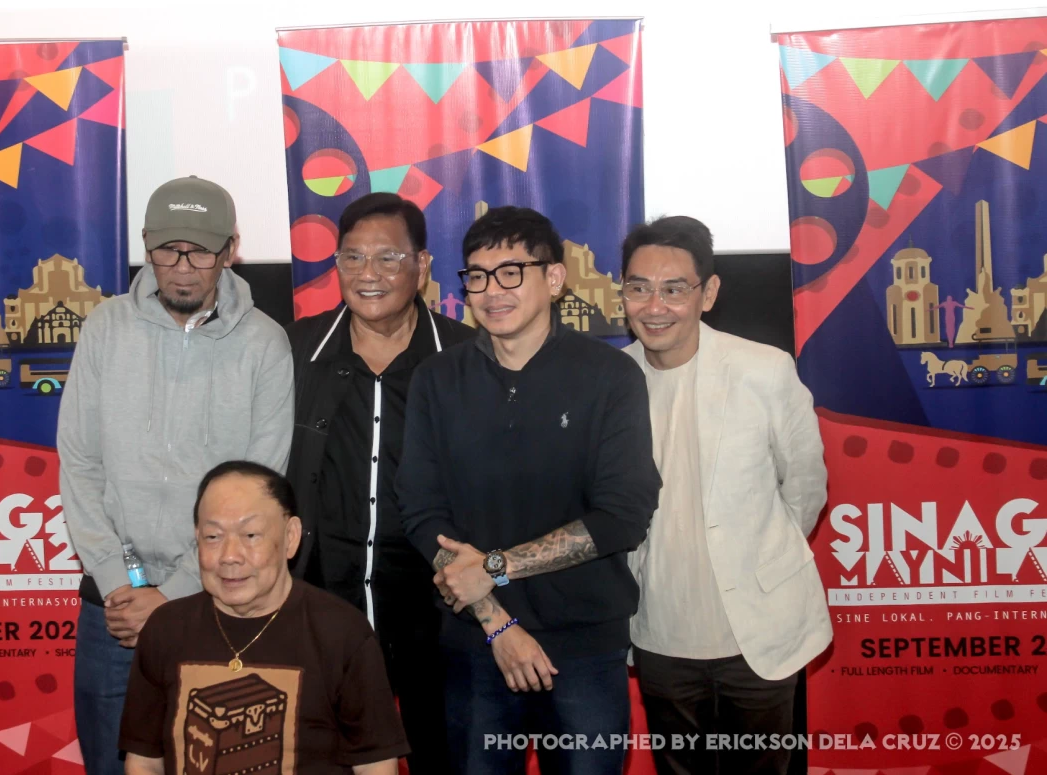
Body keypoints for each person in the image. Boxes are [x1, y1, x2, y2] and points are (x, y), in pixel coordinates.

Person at [396, 206, 661, 775]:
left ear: (556, 279)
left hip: (585, 647)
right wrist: (496, 620)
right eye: (477, 275)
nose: (492, 291)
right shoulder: (437, 380)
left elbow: (623, 515)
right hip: (475, 641)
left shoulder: (610, 377)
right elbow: (421, 511)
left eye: (512, 271)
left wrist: (492, 566)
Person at [57, 176, 294, 775]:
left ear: (231, 250)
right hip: (113, 609)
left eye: (201, 252)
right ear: (145, 246)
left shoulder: (265, 344)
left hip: (219, 600)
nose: (183, 268)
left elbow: (262, 489)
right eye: (168, 250)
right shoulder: (105, 329)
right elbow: (79, 464)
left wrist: (173, 595)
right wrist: (119, 583)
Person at [619, 216, 831, 775]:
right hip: (660, 629)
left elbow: (804, 487)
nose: (654, 305)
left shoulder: (763, 370)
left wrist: (757, 552)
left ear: (708, 293)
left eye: (674, 289)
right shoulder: (611, 381)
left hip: (758, 632)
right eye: (638, 287)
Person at [286, 193, 473, 773]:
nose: (368, 275)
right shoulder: (294, 351)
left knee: (443, 757)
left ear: (422, 266)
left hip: (438, 612)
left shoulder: (467, 358)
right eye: (352, 258)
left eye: (388, 258)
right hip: (321, 611)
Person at [120, 461, 410, 775]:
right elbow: (145, 761)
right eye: (213, 537)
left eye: (251, 535)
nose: (230, 555)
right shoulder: (166, 629)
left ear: (290, 537)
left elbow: (375, 767)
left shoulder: (342, 634)